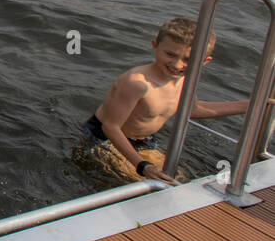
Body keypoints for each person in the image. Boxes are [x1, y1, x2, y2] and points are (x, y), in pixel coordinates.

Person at [85, 17, 270, 183]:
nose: (177, 65)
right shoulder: (137, 83)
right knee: (151, 184)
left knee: (179, 180)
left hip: (145, 140)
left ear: (204, 61)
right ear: (155, 46)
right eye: (170, 54)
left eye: (188, 59)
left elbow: (194, 110)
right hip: (105, 138)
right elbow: (110, 127)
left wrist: (255, 104)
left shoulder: (184, 81)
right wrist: (142, 166)